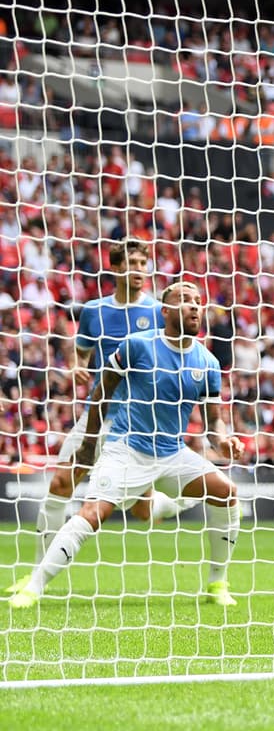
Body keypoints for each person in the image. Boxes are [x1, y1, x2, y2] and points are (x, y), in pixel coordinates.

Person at [9, 282, 243, 609]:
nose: (194, 306)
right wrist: (90, 445)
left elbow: (212, 421)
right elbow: (101, 392)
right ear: (165, 311)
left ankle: (217, 584)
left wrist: (224, 438)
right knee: (92, 513)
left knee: (226, 492)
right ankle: (34, 586)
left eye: (198, 301)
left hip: (172, 454)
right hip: (126, 448)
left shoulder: (208, 363)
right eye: (184, 300)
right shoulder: (137, 345)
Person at [6, 239, 190, 596]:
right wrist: (76, 366)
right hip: (99, 412)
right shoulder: (94, 310)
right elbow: (82, 350)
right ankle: (36, 574)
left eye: (143, 263)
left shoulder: (158, 311)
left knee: (142, 510)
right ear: (117, 268)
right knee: (61, 484)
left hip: (140, 420)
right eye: (132, 263)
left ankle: (174, 504)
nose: (139, 269)